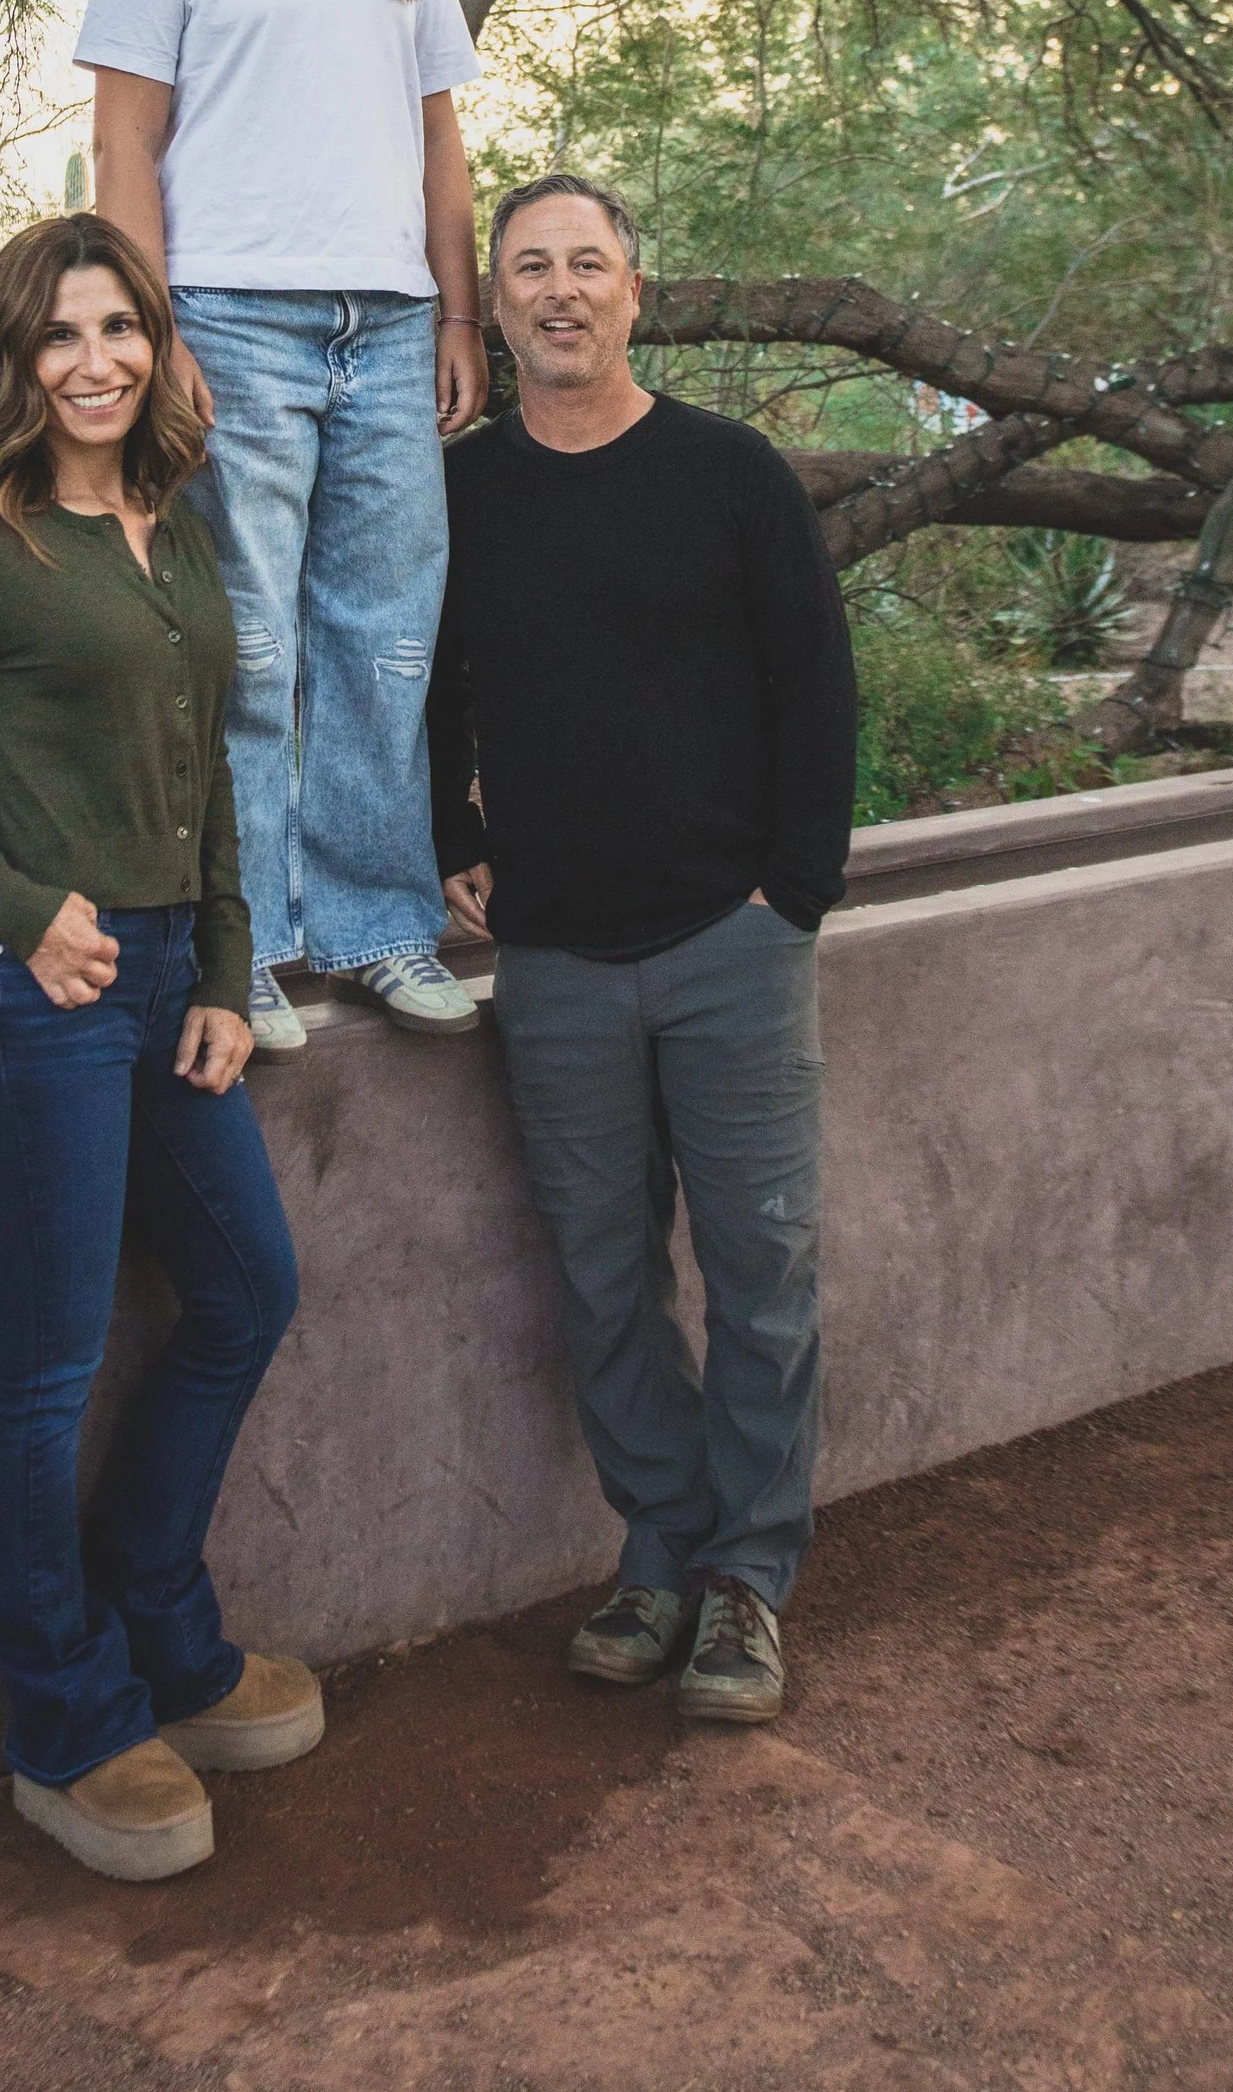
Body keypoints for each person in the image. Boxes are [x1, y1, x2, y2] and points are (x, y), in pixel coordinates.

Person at [0, 213, 319, 1883]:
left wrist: (227, 969)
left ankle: (163, 1627)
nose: (95, 361)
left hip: (169, 979)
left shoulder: (174, 521)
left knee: (247, 1290)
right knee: (46, 1366)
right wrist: (26, 908)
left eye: (120, 327)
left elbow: (214, 767)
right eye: (60, 334)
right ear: (15, 361)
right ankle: (63, 1716)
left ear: (154, 346)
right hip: (30, 990)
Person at [429, 172, 857, 1726]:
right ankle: (661, 1548)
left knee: (760, 1272)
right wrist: (448, 827)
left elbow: (817, 686)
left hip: (730, 943)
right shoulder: (462, 493)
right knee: (605, 1280)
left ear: (634, 290)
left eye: (586, 263)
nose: (560, 289)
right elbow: (423, 680)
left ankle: (748, 1575)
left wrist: (790, 890)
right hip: (553, 956)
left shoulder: (728, 472)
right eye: (530, 266)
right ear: (497, 301)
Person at [77, 0, 487, 1054]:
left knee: (385, 640)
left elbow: (440, 144)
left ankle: (377, 928)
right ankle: (239, 948)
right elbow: (123, 149)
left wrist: (457, 312)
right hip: (233, 320)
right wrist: (155, 330)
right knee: (247, 648)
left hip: (389, 324)